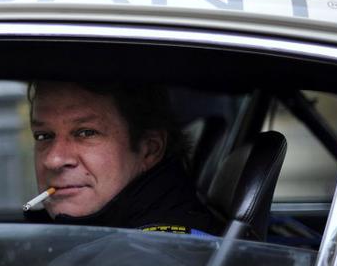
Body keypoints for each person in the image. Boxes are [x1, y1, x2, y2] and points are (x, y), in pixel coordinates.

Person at [23, 80, 219, 235]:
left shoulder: (155, 261)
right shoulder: (109, 241)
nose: (53, 160)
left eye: (86, 133)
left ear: (150, 149)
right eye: (43, 136)